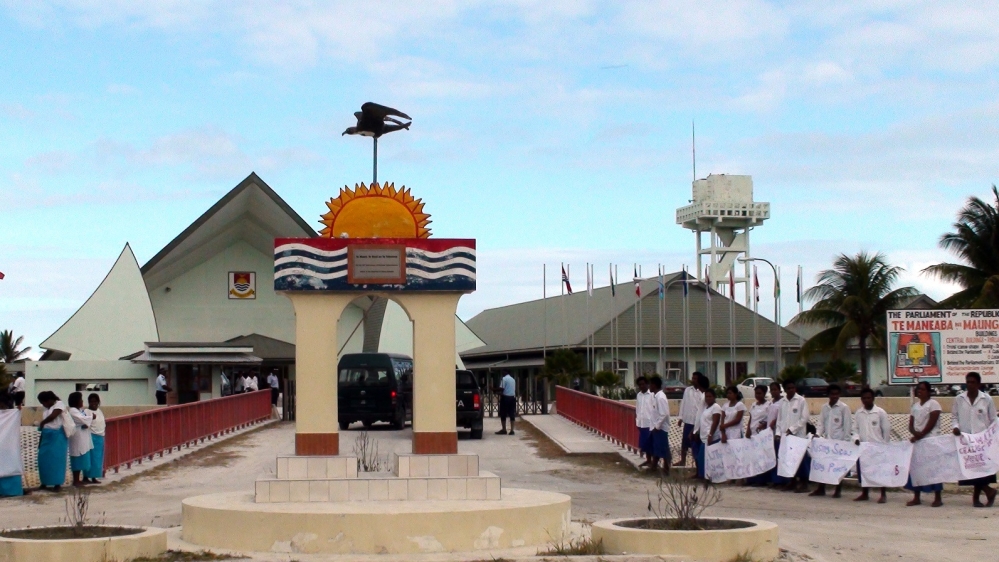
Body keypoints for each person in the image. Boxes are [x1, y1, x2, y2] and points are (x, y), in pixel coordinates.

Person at [952, 372, 998, 507]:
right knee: (970, 469)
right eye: (968, 382)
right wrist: (955, 427)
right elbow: (954, 417)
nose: (970, 385)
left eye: (973, 382)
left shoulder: (986, 399)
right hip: (965, 440)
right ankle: (987, 492)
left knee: (980, 469)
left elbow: (993, 419)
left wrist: (992, 436)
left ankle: (978, 497)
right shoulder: (959, 399)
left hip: (982, 441)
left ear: (978, 384)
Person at [810, 384, 853, 498]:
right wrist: (818, 434)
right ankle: (821, 488)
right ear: (828, 395)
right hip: (827, 442)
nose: (834, 396)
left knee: (838, 467)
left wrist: (846, 441)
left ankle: (838, 489)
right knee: (824, 465)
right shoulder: (825, 407)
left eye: (836, 394)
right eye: (832, 394)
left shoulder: (844, 408)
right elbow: (821, 423)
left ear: (839, 395)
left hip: (839, 442)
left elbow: (847, 426)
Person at [907, 380, 944, 507]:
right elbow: (911, 425)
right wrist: (915, 434)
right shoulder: (915, 406)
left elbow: (931, 423)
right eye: (918, 389)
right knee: (916, 468)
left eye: (922, 389)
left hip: (931, 441)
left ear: (928, 391)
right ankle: (916, 496)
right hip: (918, 441)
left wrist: (921, 435)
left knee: (933, 469)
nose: (919, 391)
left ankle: (937, 497)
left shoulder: (934, 404)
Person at [853, 387, 890, 503]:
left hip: (877, 447)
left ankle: (883, 494)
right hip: (864, 447)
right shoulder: (859, 413)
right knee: (864, 470)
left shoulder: (880, 412)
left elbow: (886, 430)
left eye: (868, 398)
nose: (866, 400)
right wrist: (856, 438)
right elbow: (855, 429)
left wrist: (885, 445)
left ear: (873, 398)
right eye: (864, 398)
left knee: (880, 471)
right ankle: (865, 493)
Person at [776, 380, 810, 493]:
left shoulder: (801, 400)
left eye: (793, 388)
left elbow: (804, 418)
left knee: (801, 459)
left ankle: (804, 483)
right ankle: (792, 481)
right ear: (785, 390)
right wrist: (778, 433)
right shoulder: (782, 402)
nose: (791, 390)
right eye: (788, 388)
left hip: (798, 436)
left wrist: (792, 429)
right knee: (788, 459)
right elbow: (779, 419)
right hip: (785, 436)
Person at [36, 391, 68, 492]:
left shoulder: (59, 404)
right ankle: (44, 482)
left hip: (57, 437)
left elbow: (53, 416)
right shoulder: (47, 409)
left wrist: (42, 422)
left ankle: (57, 484)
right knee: (44, 460)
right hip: (46, 436)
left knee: (57, 460)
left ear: (49, 400)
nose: (43, 405)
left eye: (43, 402)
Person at [674, 372, 704, 467]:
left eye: (695, 378)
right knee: (685, 442)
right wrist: (681, 418)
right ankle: (683, 460)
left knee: (696, 443)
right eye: (693, 378)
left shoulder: (703, 392)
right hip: (688, 421)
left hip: (697, 422)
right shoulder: (688, 390)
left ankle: (698, 463)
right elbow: (683, 403)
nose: (693, 380)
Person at [745, 385, 772, 486]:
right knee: (752, 457)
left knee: (761, 457)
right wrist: (748, 429)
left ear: (764, 394)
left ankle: (762, 480)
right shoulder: (753, 405)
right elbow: (751, 418)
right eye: (756, 393)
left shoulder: (768, 405)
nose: (757, 395)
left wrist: (764, 424)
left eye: (760, 393)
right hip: (752, 433)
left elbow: (770, 418)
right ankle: (752, 479)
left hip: (762, 434)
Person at [0, 391, 25, 497]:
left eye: (3, 406)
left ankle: (12, 491)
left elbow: (21, 393)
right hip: (7, 447)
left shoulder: (12, 414)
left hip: (9, 447)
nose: (1, 408)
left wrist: (18, 408)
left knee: (10, 465)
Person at [67, 392, 93, 487]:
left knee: (83, 457)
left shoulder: (80, 410)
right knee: (77, 457)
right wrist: (91, 417)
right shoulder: (73, 411)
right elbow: (82, 419)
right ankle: (76, 480)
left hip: (83, 436)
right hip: (77, 436)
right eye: (80, 400)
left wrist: (87, 422)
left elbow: (85, 421)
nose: (82, 401)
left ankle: (82, 478)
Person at [697, 387, 723, 480]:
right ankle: (705, 476)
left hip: (711, 437)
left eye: (710, 396)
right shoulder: (706, 408)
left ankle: (710, 477)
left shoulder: (716, 407)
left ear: (714, 397)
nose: (708, 398)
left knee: (704, 458)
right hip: (704, 437)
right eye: (706, 397)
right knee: (702, 458)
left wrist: (711, 434)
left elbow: (715, 422)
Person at [689, 374, 712, 478]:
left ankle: (701, 473)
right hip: (699, 429)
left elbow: (701, 416)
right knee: (697, 452)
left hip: (701, 430)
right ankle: (699, 473)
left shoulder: (704, 397)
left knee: (698, 453)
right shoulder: (704, 396)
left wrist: (695, 431)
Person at [649, 376, 671, 474]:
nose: (649, 386)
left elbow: (663, 413)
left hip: (661, 428)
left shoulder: (661, 397)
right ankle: (654, 467)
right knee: (657, 448)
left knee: (663, 449)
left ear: (654, 385)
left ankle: (666, 469)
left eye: (650, 384)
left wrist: (657, 426)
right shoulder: (656, 396)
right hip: (656, 427)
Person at [768, 381, 787, 487]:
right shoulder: (771, 402)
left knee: (779, 456)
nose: (774, 392)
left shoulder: (782, 402)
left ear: (779, 390)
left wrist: (774, 422)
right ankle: (774, 480)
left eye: (775, 389)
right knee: (772, 457)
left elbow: (781, 416)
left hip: (778, 432)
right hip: (770, 433)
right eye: (772, 390)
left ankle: (782, 480)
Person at [85, 393, 106, 484]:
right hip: (91, 437)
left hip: (100, 437)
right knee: (90, 458)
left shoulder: (99, 411)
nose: (94, 403)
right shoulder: (86, 411)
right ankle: (86, 477)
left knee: (98, 459)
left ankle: (94, 477)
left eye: (95, 401)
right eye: (91, 402)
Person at [634, 376, 654, 468]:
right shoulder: (639, 395)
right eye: (640, 385)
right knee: (644, 444)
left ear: (647, 384)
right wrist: (637, 420)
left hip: (649, 423)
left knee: (650, 443)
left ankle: (654, 461)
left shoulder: (652, 395)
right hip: (641, 423)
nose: (641, 386)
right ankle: (648, 460)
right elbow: (638, 408)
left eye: (643, 384)